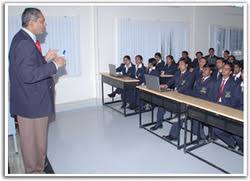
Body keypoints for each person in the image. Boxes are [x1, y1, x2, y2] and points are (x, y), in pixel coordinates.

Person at [9, 8, 65, 173]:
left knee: (36, 143)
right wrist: (55, 65)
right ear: (31, 22)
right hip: (32, 105)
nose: (44, 24)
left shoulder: (23, 38)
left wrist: (45, 58)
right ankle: (35, 173)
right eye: (42, 21)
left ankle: (37, 169)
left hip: (31, 103)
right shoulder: (25, 43)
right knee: (33, 145)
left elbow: (28, 66)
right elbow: (28, 75)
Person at [150, 58, 194, 131]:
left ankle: (173, 135)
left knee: (179, 113)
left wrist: (175, 91)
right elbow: (171, 81)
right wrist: (165, 85)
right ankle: (159, 123)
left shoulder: (190, 75)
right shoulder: (177, 73)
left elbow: (186, 87)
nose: (180, 66)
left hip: (184, 97)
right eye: (179, 64)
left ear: (186, 65)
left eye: (182, 64)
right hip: (174, 94)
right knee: (161, 104)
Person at [209, 62, 241, 149]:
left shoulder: (234, 84)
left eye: (226, 69)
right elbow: (211, 95)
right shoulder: (217, 81)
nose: (223, 70)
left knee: (217, 129)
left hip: (227, 109)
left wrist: (222, 108)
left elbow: (236, 101)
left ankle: (236, 142)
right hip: (216, 106)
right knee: (214, 126)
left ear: (230, 72)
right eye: (223, 68)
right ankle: (232, 142)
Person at [189, 64, 214, 140]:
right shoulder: (199, 79)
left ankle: (201, 137)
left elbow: (210, 97)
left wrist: (198, 100)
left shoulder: (212, 82)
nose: (203, 71)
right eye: (203, 69)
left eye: (206, 69)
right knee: (188, 111)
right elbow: (194, 91)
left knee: (195, 114)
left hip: (206, 104)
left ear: (210, 72)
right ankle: (196, 132)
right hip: (196, 102)